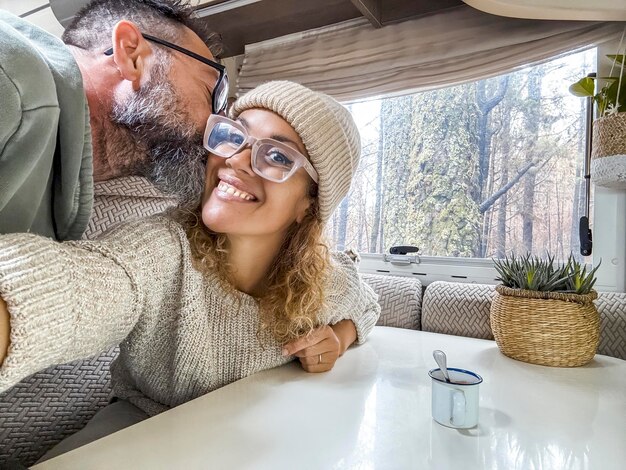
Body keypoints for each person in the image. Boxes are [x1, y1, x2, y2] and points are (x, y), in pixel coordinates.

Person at [0, 81, 381, 459]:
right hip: (139, 432)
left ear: (308, 207)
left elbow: (365, 302)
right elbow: (78, 285)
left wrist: (340, 336)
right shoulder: (163, 248)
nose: (235, 160)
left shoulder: (320, 278)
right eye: (235, 136)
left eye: (278, 156)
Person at [0, 0, 224, 240]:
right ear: (132, 55)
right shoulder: (13, 79)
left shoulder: (67, 178)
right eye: (211, 93)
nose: (217, 128)